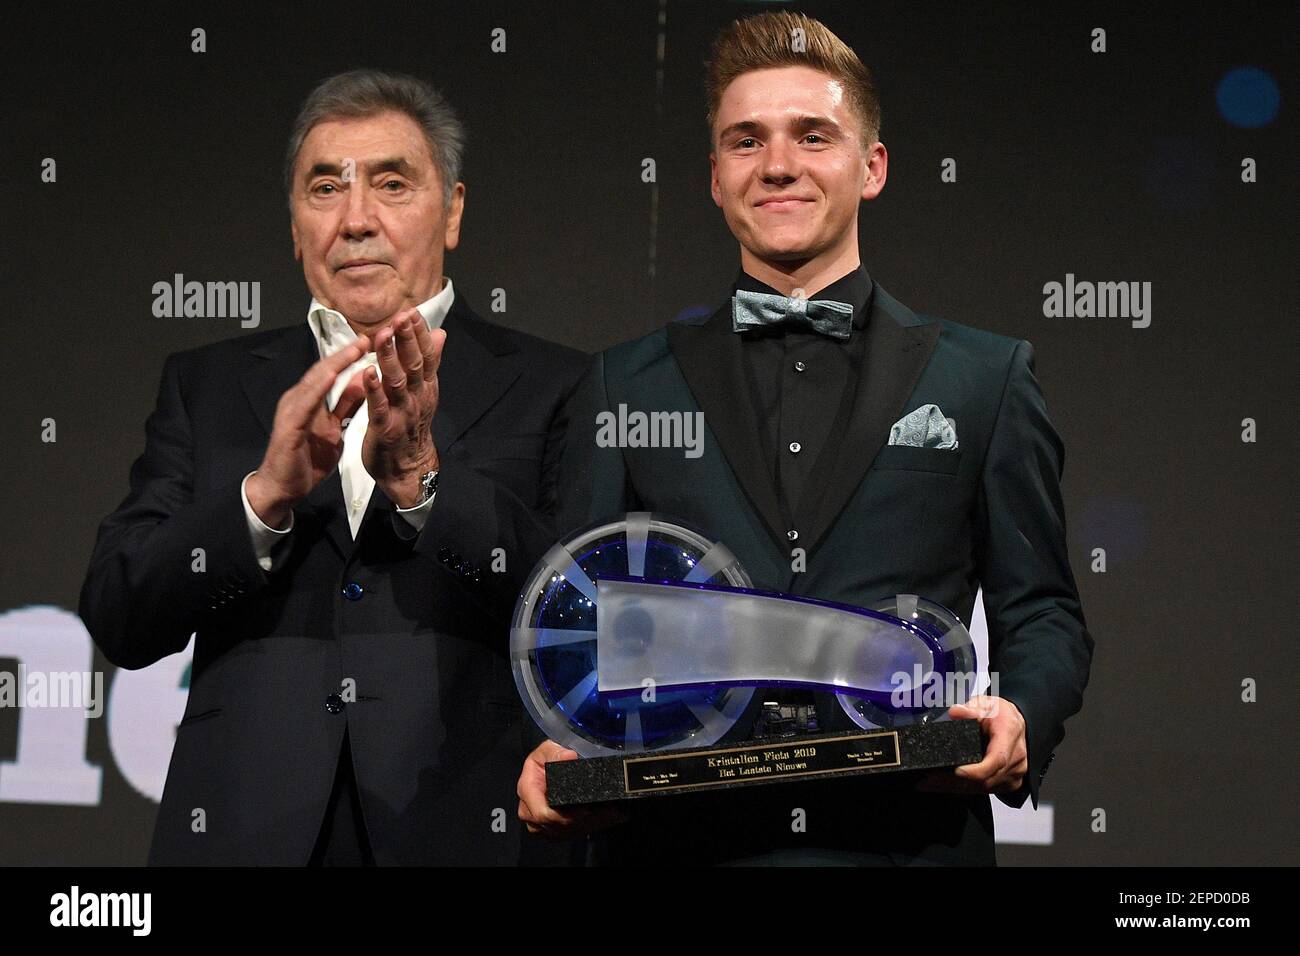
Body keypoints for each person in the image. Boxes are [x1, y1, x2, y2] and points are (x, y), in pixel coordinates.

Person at [517, 11, 1093, 865]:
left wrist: (1019, 719)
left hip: (908, 844)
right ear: (714, 177)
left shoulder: (985, 378)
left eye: (812, 136)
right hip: (685, 850)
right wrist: (562, 749)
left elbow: (1041, 609)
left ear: (874, 167)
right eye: (745, 142)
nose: (778, 164)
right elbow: (576, 616)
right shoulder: (623, 384)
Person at [79, 69, 586, 865]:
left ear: (452, 211)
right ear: (293, 222)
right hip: (246, 834)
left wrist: (424, 481)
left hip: (467, 827)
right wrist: (262, 498)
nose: (356, 220)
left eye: (392, 183)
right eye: (325, 188)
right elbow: (118, 613)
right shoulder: (206, 383)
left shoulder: (561, 385)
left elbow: (582, 617)